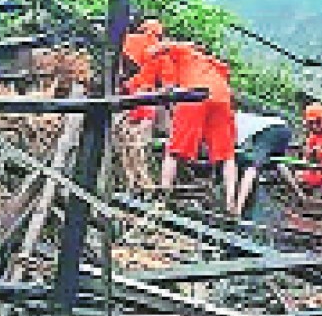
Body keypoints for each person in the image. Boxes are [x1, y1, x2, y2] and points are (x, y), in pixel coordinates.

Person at [122, 19, 238, 211]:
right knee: (227, 156)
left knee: (174, 150)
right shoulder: (214, 64)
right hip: (223, 98)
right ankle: (231, 205)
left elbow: (157, 61)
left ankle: (162, 199)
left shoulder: (180, 51)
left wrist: (167, 48)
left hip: (193, 94)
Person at [233, 110, 293, 218]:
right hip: (284, 129)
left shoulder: (233, 121)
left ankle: (237, 209)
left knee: (252, 167)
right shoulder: (244, 117)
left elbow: (233, 153)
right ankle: (299, 194)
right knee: (276, 162)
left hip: (271, 130)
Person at [300, 103, 322, 189]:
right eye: (311, 123)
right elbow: (307, 160)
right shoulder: (312, 138)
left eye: (318, 122)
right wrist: (310, 155)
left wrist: (321, 153)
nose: (315, 126)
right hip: (320, 174)